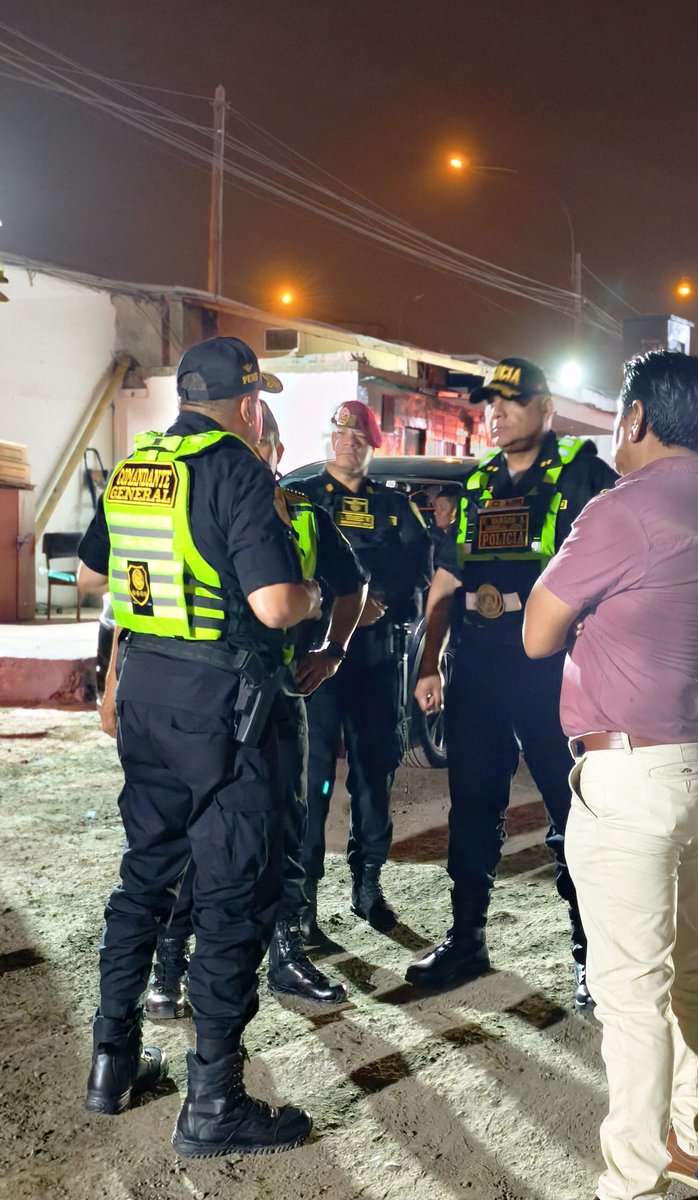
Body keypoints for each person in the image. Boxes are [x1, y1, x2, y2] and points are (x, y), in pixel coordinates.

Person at [77, 336, 322, 1158]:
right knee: (230, 896)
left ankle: (112, 1063)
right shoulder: (238, 469)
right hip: (222, 711)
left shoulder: (136, 466)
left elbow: (92, 576)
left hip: (145, 694)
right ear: (247, 403)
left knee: (144, 876)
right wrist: (312, 592)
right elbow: (275, 604)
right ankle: (214, 1101)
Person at [523, 350, 698, 1199]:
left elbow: (537, 632)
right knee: (690, 965)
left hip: (633, 774)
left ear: (637, 418)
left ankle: (633, 1181)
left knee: (631, 991)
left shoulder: (623, 510)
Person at [140, 401, 368, 1015]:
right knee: (194, 837)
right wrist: (114, 682)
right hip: (203, 700)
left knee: (286, 829)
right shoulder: (194, 500)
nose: (243, 453)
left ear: (274, 451)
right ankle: (169, 968)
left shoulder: (305, 514)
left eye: (256, 443)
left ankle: (287, 955)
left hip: (277, 699)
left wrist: (333, 652)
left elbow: (352, 585)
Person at [407, 357, 617, 1002]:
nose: (495, 414)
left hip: (554, 670)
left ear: (546, 408)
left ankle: (592, 955)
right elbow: (446, 583)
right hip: (479, 668)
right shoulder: (477, 485)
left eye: (511, 402)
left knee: (572, 809)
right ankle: (466, 939)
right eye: (490, 404)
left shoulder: (583, 475)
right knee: (472, 805)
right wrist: (428, 661)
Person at [299, 400, 432, 943]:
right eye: (339, 433)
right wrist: (335, 605)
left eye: (358, 436)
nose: (347, 442)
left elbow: (421, 575)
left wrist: (385, 603)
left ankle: (368, 886)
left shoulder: (396, 508)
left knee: (375, 776)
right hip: (316, 664)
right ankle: (302, 905)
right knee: (311, 783)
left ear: (374, 444)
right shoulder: (302, 497)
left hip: (375, 664)